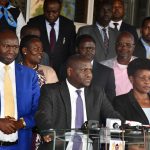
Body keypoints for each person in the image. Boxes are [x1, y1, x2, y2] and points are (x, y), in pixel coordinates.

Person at [35, 54, 124, 150]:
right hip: (59, 146)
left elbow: (111, 114)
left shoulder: (97, 92)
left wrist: (128, 125)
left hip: (88, 146)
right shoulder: (51, 91)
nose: (89, 74)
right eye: (84, 70)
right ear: (70, 71)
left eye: (90, 70)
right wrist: (48, 130)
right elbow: (42, 114)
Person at [0, 29, 40, 150]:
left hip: (21, 143)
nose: (11, 51)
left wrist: (21, 123)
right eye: (6, 46)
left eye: (15, 47)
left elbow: (38, 108)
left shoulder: (30, 75)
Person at [27, 0, 76, 76]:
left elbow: (72, 51)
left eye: (54, 12)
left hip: (62, 73)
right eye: (47, 11)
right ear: (43, 9)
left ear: (60, 10)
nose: (50, 15)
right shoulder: (34, 23)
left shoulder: (68, 25)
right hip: (38, 71)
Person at [76, 34, 116, 102]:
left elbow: (110, 99)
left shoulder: (107, 72)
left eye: (92, 48)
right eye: (85, 48)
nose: (89, 51)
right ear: (77, 49)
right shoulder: (66, 69)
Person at [101, 31, 137, 96]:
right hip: (111, 105)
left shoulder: (142, 66)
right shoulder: (103, 66)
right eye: (120, 44)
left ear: (133, 47)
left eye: (128, 45)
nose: (124, 48)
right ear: (115, 46)